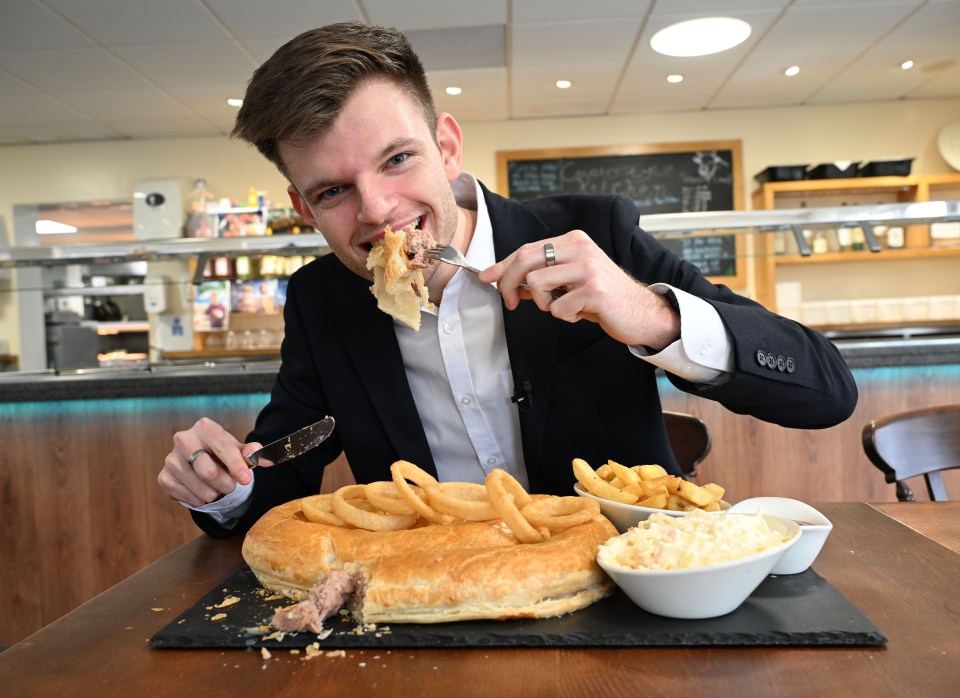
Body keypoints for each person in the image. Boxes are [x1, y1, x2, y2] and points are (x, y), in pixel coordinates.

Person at [158, 22, 857, 536]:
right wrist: (222, 484)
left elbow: (827, 392)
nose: (376, 209)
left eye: (398, 159)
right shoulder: (322, 300)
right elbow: (282, 481)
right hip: (440, 598)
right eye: (334, 191)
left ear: (448, 147)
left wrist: (653, 317)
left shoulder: (596, 234)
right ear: (303, 208)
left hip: (628, 588)